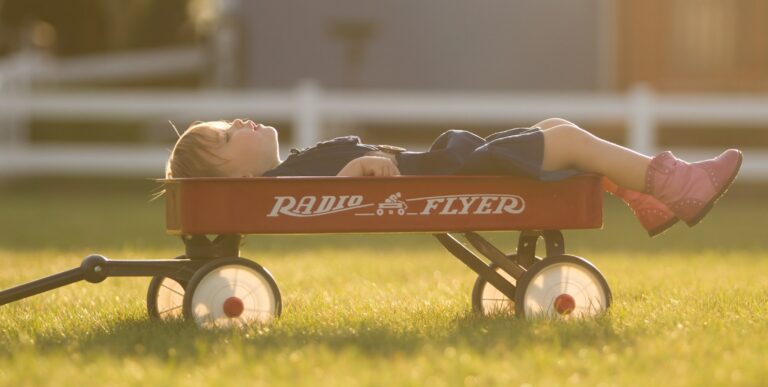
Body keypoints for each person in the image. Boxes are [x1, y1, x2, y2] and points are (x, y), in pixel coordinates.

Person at [164, 118, 742, 237]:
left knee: (555, 132)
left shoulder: (289, 176)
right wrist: (356, 167)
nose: (237, 121)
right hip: (444, 174)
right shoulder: (287, 185)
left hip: (442, 167)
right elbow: (328, 194)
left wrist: (353, 166)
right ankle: (675, 185)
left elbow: (317, 191)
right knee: (563, 138)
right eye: (223, 134)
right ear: (237, 174)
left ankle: (647, 196)